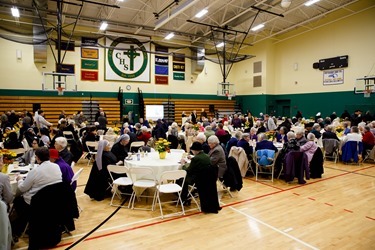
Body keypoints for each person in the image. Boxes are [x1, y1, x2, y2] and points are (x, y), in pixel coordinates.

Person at [11, 147, 62, 239]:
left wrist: (19, 180)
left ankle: (21, 225)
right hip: (54, 200)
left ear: (37, 158)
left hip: (36, 203)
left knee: (17, 200)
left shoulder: (35, 171)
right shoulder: (56, 167)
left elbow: (22, 188)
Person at [181, 142, 221, 213]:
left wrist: (183, 164)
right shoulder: (206, 156)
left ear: (194, 150)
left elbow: (188, 170)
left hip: (199, 179)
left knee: (181, 180)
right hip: (209, 178)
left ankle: (183, 198)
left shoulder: (196, 159)